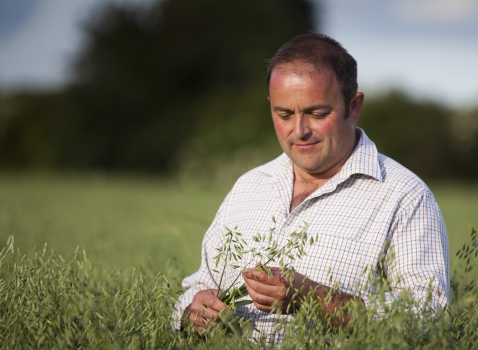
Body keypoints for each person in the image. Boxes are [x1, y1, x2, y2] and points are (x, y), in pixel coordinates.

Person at [173, 33, 450, 341]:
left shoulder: (404, 196)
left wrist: (315, 299)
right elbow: (198, 287)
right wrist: (192, 313)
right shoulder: (249, 186)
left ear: (353, 106)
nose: (299, 131)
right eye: (284, 114)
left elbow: (428, 317)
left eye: (317, 114)